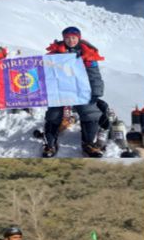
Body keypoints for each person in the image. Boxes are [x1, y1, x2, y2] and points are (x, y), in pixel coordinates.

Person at [43, 26, 108, 158]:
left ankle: (88, 143)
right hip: (60, 90)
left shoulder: (88, 54)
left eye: (73, 37)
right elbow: (46, 72)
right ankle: (50, 144)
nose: (71, 40)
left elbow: (94, 75)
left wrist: (96, 92)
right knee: (53, 115)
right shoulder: (55, 53)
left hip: (80, 90)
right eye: (67, 38)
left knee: (90, 113)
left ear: (79, 38)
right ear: (63, 39)